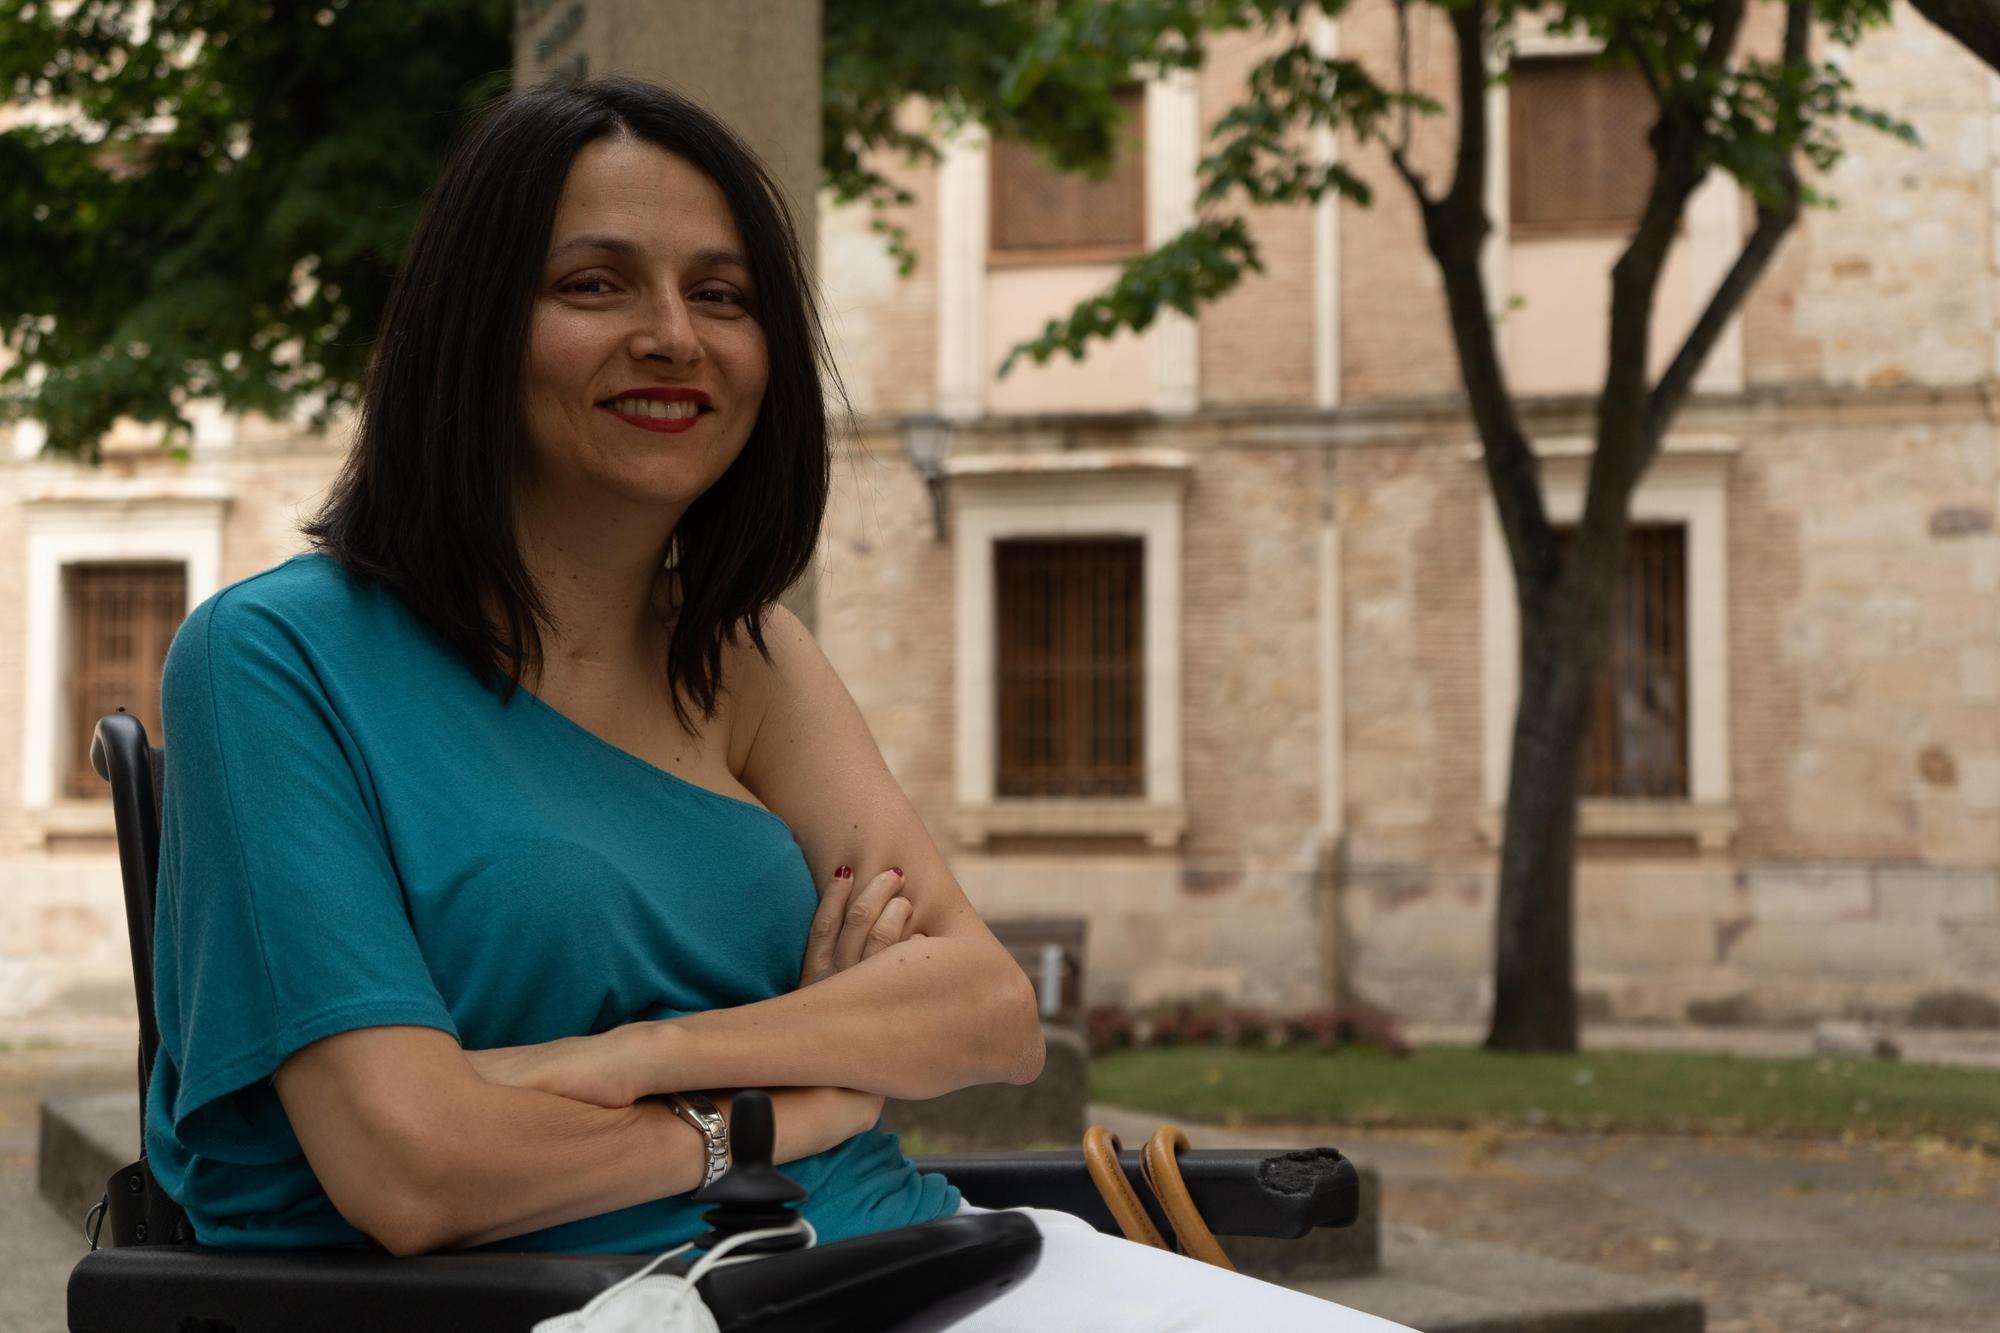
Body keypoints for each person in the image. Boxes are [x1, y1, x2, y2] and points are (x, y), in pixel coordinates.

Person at [146, 75, 1410, 1330]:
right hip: (614, 1304)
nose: (673, 337)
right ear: (471, 328)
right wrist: (805, 1094)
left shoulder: (743, 653)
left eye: (722, 295)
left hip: (912, 1255)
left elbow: (987, 1009)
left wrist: (637, 1061)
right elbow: (413, 1168)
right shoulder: (270, 660)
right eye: (594, 283)